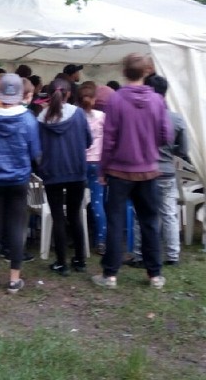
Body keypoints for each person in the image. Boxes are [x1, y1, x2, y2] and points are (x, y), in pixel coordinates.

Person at [93, 53, 173, 290]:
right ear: (147, 72)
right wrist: (148, 143)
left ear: (124, 72)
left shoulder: (116, 100)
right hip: (148, 171)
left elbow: (109, 140)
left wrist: (103, 169)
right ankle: (155, 275)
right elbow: (166, 136)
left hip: (119, 171)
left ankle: (110, 275)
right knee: (149, 221)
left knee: (115, 221)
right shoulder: (158, 100)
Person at [0, 74, 41, 294]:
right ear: (20, 94)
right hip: (18, 178)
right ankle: (14, 279)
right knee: (16, 225)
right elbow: (35, 151)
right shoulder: (28, 119)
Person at [125, 74, 188, 267]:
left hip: (144, 171)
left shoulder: (140, 117)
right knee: (169, 214)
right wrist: (169, 150)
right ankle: (173, 255)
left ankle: (139, 255)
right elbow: (184, 150)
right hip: (167, 172)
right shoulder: (177, 119)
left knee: (140, 214)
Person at [38, 78, 92, 276]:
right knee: (75, 215)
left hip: (52, 172)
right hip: (76, 171)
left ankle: (62, 263)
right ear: (69, 94)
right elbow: (88, 141)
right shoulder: (78, 114)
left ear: (48, 95)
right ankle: (79, 260)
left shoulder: (41, 118)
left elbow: (37, 147)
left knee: (58, 217)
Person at [77, 82, 107, 255]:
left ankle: (78, 237)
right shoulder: (102, 117)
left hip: (79, 163)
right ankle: (101, 240)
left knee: (77, 203)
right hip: (97, 163)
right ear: (95, 99)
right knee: (98, 202)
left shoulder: (75, 116)